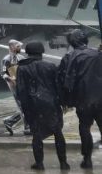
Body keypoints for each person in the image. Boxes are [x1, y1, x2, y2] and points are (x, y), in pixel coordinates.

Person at [16, 41, 69, 171]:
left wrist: (25, 109)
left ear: (27, 53)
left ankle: (39, 164)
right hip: (51, 103)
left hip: (33, 105)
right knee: (58, 133)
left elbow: (21, 91)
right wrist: (63, 102)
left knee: (37, 135)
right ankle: (63, 163)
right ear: (42, 52)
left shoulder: (22, 68)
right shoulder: (50, 66)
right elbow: (58, 86)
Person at [57, 29, 101, 168]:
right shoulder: (98, 53)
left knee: (84, 127)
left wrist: (64, 101)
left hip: (83, 99)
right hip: (100, 97)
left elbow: (62, 80)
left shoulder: (69, 57)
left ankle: (87, 159)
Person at [1, 39, 29, 135]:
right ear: (11, 47)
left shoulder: (21, 57)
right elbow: (3, 73)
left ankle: (9, 121)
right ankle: (27, 127)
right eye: (18, 46)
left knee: (25, 105)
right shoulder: (6, 59)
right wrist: (10, 79)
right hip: (14, 85)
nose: (20, 48)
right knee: (22, 105)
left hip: (23, 83)